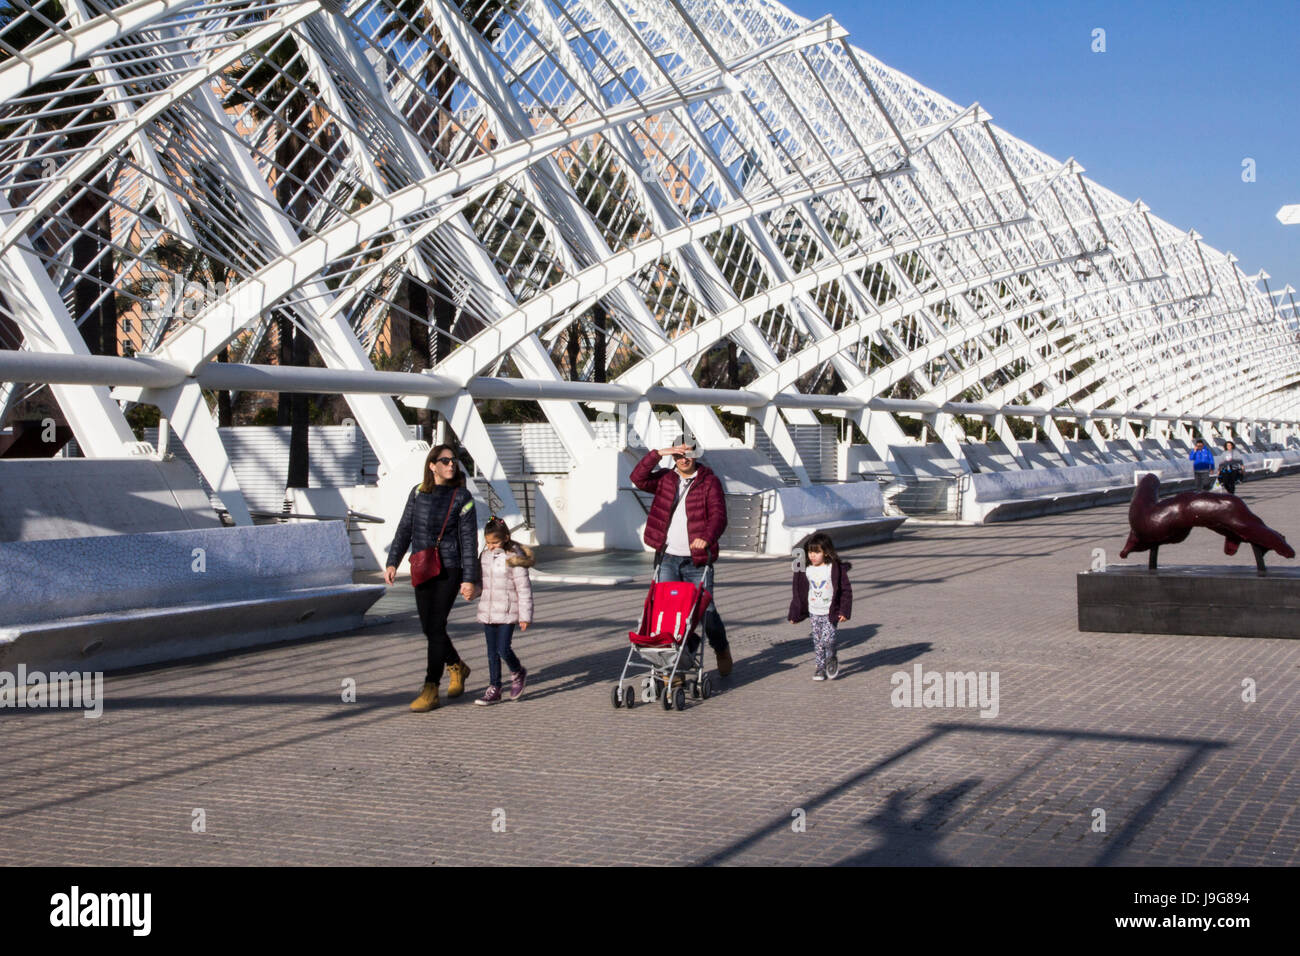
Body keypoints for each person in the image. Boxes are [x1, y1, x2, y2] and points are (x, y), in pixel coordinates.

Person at [384, 444, 480, 712]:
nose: (451, 465)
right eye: (445, 460)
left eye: (454, 461)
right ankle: (457, 666)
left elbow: (469, 542)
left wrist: (469, 578)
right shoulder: (417, 492)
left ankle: (430, 688)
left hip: (450, 569)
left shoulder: (463, 497)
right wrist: (393, 561)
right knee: (429, 628)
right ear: (432, 465)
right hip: (422, 566)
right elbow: (405, 528)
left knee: (436, 626)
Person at [630, 441, 733, 676]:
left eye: (687, 455)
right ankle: (672, 669)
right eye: (678, 455)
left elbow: (719, 515)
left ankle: (721, 647)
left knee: (706, 612)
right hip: (667, 557)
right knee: (667, 614)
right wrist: (658, 453)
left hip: (697, 561)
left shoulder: (709, 481)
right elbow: (638, 477)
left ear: (695, 456)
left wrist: (706, 538)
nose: (683, 460)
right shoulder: (665, 479)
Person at [475, 516, 534, 705]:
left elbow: (523, 588)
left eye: (495, 542)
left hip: (508, 611)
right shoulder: (484, 556)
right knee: (491, 652)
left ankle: (518, 672)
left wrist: (525, 616)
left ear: (506, 537)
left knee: (503, 649)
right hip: (488, 610)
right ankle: (495, 687)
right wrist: (472, 591)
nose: (491, 546)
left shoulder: (514, 558)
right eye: (488, 542)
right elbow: (483, 583)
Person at [787, 533, 852, 681]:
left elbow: (846, 590)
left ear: (826, 552)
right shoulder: (807, 570)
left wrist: (844, 611)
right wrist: (795, 614)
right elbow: (798, 593)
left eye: (817, 552)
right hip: (814, 611)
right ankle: (820, 668)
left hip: (830, 612)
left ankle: (832, 656)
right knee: (818, 641)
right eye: (810, 552)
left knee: (828, 639)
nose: (812, 556)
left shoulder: (833, 569)